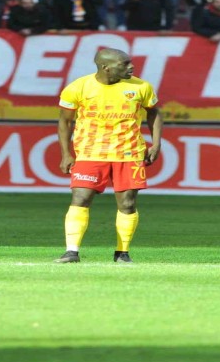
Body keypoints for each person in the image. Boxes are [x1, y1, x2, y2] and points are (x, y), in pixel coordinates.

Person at [55, 48, 163, 264]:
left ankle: (122, 253)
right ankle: (71, 251)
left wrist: (156, 143)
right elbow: (65, 121)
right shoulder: (78, 87)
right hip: (90, 152)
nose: (131, 67)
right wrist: (66, 153)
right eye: (125, 64)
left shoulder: (141, 87)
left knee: (127, 204)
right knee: (80, 198)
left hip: (129, 152)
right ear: (106, 67)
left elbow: (154, 113)